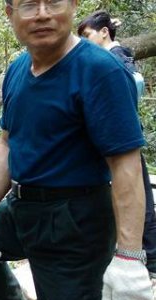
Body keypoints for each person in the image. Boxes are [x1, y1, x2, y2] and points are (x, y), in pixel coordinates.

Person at [0, 0, 154, 300]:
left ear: (73, 6)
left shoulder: (98, 70)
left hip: (76, 222)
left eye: (54, 2)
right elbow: (6, 141)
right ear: (10, 13)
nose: (43, 13)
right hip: (23, 210)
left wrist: (130, 254)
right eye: (30, 5)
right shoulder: (18, 69)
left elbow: (126, 164)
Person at [78, 11, 156, 278]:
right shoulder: (117, 59)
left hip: (121, 141)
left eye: (87, 36)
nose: (84, 42)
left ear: (104, 32)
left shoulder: (116, 61)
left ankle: (151, 261)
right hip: (118, 140)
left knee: (136, 198)